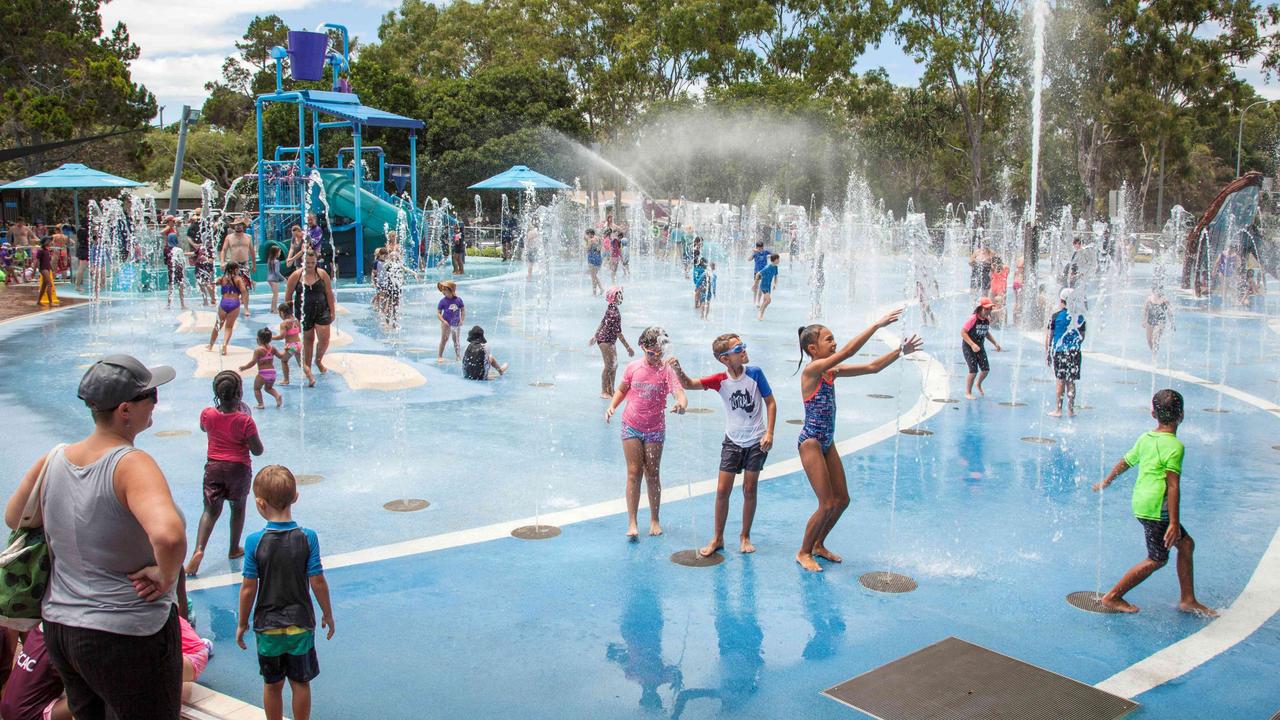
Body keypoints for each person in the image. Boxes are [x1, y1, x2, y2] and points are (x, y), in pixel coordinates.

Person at [5, 355, 185, 719]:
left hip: (61, 628)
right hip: (125, 630)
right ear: (124, 410)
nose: (155, 403)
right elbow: (168, 536)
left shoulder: (54, 458)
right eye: (150, 395)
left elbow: (14, 517)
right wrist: (165, 577)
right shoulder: (131, 463)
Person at [793, 314, 921, 572]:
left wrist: (899, 351)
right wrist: (875, 325)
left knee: (842, 500)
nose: (834, 343)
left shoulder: (831, 372)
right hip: (812, 443)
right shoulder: (812, 370)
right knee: (826, 503)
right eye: (828, 340)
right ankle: (803, 551)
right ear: (812, 349)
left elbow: (872, 367)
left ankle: (819, 543)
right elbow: (850, 351)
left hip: (827, 441)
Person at [1091, 390, 1217, 617]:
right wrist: (1174, 523)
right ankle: (1112, 597)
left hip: (1142, 503)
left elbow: (1126, 462)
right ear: (1182, 415)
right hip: (1157, 510)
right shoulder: (1175, 446)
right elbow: (1172, 486)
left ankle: (1188, 599)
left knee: (1186, 545)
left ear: (1153, 414)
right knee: (1157, 559)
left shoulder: (1146, 438)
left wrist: (1107, 480)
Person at [236, 465, 335, 720]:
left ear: (259, 503)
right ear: (296, 497)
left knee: (272, 684)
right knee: (300, 682)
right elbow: (318, 581)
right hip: (300, 624)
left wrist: (242, 622)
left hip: (267, 627)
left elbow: (249, 588)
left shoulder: (254, 542)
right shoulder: (307, 537)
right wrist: (327, 613)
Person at [669, 334, 776, 557]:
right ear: (725, 358)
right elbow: (689, 384)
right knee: (721, 491)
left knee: (749, 489)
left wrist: (770, 432)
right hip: (732, 441)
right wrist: (677, 368)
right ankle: (718, 538)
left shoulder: (755, 373)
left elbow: (771, 402)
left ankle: (745, 535)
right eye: (739, 348)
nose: (744, 350)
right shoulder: (720, 380)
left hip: (756, 441)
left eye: (743, 345)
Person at [604, 327, 687, 538]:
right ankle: (632, 522)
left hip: (655, 429)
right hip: (631, 424)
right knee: (634, 472)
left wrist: (681, 404)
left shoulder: (667, 371)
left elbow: (680, 393)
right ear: (643, 348)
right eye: (651, 353)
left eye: (659, 353)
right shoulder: (633, 368)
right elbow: (622, 389)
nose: (655, 357)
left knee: (653, 473)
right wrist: (612, 405)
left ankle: (654, 519)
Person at [185, 371, 264, 576]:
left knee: (210, 511)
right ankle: (233, 548)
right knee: (237, 509)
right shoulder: (245, 420)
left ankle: (198, 550)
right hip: (238, 469)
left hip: (213, 467)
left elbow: (204, 428)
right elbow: (258, 450)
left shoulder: (208, 414)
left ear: (216, 393)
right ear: (239, 392)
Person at [284, 250, 337, 381]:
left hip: (322, 310)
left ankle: (318, 360)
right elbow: (288, 296)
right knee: (308, 340)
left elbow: (329, 293)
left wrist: (332, 310)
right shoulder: (296, 276)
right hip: (303, 313)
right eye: (307, 262)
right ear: (303, 261)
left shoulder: (322, 274)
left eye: (313, 262)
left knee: (324, 339)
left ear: (316, 262)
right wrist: (290, 317)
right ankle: (308, 370)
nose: (310, 265)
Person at [1045, 288, 1086, 417]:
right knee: (1071, 381)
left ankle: (1058, 410)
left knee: (1060, 381)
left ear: (1061, 301)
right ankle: (1070, 410)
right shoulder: (1079, 317)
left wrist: (1048, 353)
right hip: (1074, 351)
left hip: (1060, 352)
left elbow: (1050, 337)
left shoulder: (1055, 316)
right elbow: (1082, 336)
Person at [588, 287, 635, 398]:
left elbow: (602, 321)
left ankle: (611, 390)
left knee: (614, 365)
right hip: (605, 340)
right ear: (613, 297)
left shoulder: (611, 308)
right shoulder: (614, 313)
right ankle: (604, 391)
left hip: (607, 339)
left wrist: (595, 335)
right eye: (619, 295)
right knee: (609, 366)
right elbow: (618, 333)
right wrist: (628, 347)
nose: (621, 297)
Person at [961, 297, 1003, 399]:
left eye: (989, 309)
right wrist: (972, 344)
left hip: (980, 347)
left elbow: (986, 333)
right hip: (969, 347)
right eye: (986, 309)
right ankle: (968, 392)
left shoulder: (986, 321)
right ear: (980, 308)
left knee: (985, 369)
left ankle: (978, 384)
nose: (988, 311)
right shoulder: (973, 319)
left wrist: (995, 343)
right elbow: (963, 332)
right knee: (973, 370)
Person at [207, 262, 248, 356]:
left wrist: (213, 295)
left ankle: (210, 346)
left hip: (224, 303)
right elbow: (244, 291)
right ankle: (224, 345)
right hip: (234, 303)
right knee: (229, 327)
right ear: (236, 269)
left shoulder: (223, 278)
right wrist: (243, 301)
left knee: (217, 325)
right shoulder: (238, 279)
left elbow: (212, 284)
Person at [241, 328, 286, 409]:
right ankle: (277, 395)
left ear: (258, 339)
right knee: (268, 388)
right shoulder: (273, 349)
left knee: (256, 388)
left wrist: (245, 367)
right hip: (272, 373)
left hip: (263, 373)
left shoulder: (258, 350)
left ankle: (260, 404)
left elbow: (253, 362)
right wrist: (289, 349)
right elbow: (281, 356)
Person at [274, 302, 310, 386]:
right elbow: (300, 331)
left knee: (284, 360)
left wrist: (272, 337)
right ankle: (311, 379)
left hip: (292, 346)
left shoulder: (284, 323)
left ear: (282, 312)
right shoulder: (296, 320)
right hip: (299, 344)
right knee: (302, 364)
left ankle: (286, 380)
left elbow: (282, 336)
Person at [436, 280, 465, 363]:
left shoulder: (458, 300)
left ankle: (458, 356)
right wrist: (443, 321)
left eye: (445, 290)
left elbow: (463, 310)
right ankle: (440, 356)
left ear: (451, 290)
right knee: (444, 339)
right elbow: (438, 313)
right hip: (446, 323)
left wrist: (462, 319)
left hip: (456, 323)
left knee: (456, 340)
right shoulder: (443, 301)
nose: (443, 292)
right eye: (443, 290)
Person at [1142, 287, 1171, 355]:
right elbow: (1145, 309)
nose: (1157, 292)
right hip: (1150, 320)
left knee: (1155, 339)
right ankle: (1154, 351)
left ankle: (1154, 357)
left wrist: (1172, 323)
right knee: (1149, 340)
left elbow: (1170, 312)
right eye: (1156, 290)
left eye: (1159, 290)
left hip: (1160, 321)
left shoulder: (1164, 300)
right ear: (1153, 290)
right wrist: (1144, 320)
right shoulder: (1149, 299)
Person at [164, 231, 187, 310]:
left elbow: (165, 262)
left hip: (171, 268)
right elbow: (183, 262)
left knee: (170, 285)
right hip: (179, 269)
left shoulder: (166, 250)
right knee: (180, 285)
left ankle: (168, 305)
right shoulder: (179, 250)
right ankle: (182, 304)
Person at [34, 237, 58, 308]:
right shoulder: (41, 251)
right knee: (49, 284)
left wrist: (52, 270)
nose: (51, 242)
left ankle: (38, 301)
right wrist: (36, 271)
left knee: (43, 287)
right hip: (43, 269)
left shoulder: (47, 250)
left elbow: (48, 261)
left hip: (47, 268)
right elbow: (37, 261)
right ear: (45, 242)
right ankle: (51, 302)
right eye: (49, 241)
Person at [756, 254, 780, 321]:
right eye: (778, 259)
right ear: (775, 260)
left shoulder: (775, 267)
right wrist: (755, 284)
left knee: (765, 301)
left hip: (768, 286)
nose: (779, 261)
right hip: (763, 286)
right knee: (768, 300)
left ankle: (761, 315)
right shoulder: (768, 267)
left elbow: (775, 276)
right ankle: (760, 312)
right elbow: (758, 274)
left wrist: (775, 284)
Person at [749, 241, 771, 306]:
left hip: (764, 272)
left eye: (761, 248)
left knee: (761, 287)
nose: (760, 250)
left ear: (763, 247)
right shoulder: (755, 253)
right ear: (756, 248)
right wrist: (753, 253)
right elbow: (749, 259)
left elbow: (774, 254)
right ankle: (754, 301)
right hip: (756, 272)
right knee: (756, 286)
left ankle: (758, 301)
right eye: (758, 249)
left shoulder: (765, 252)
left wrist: (768, 256)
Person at [265, 244, 285, 313]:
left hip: (269, 279)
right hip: (274, 279)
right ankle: (275, 309)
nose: (280, 253)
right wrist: (283, 278)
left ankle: (272, 308)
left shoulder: (269, 260)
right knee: (275, 295)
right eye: (279, 252)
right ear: (276, 253)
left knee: (274, 294)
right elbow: (277, 272)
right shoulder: (276, 261)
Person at [585, 229, 604, 295]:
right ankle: (596, 291)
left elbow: (588, 249)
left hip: (592, 258)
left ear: (590, 234)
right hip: (598, 258)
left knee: (593, 276)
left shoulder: (590, 240)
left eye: (587, 234)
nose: (587, 236)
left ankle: (598, 290)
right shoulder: (598, 238)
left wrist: (586, 244)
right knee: (594, 276)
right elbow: (600, 247)